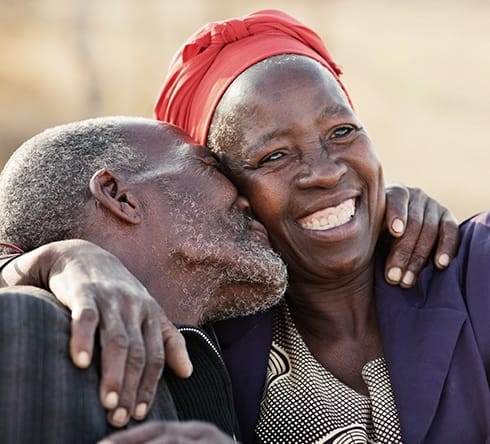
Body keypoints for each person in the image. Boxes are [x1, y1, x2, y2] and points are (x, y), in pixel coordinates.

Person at [153, 9, 490, 443]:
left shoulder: (473, 270)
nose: (325, 172)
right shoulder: (204, 342)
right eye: (275, 155)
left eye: (342, 131)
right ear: (225, 189)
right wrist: (66, 259)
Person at [0, 116, 288, 443]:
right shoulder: (26, 324)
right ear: (118, 195)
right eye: (210, 166)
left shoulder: (220, 358)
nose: (247, 197)